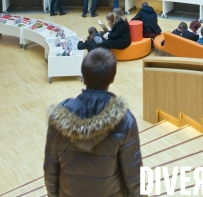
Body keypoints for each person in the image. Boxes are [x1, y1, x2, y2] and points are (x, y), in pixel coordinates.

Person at [44, 49, 142, 197]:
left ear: (83, 78)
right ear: (112, 79)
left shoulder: (58, 117)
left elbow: (50, 169)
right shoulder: (125, 121)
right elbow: (134, 178)